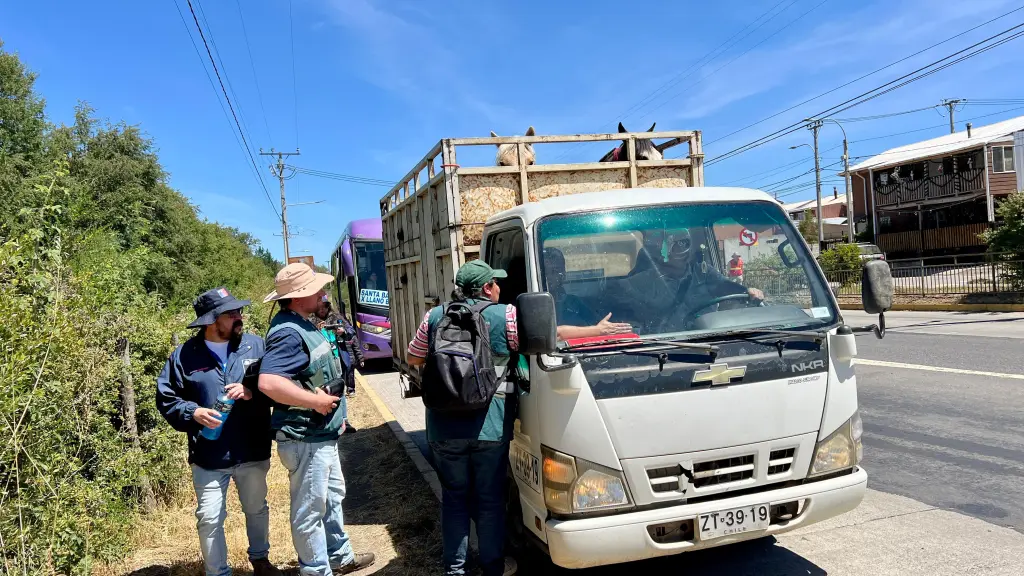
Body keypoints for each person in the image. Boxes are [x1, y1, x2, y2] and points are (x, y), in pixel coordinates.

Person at [156, 287, 283, 576]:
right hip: (209, 454)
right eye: (231, 313)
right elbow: (166, 397)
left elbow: (280, 385)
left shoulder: (255, 346)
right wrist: (194, 412)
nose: (240, 317)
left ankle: (260, 561)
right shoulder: (184, 356)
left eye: (238, 311)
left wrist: (252, 392)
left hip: (252, 448)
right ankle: (218, 573)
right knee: (209, 518)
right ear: (212, 321)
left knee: (256, 508)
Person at [257, 264, 375, 576]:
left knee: (332, 497)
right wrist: (316, 401)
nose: (323, 294)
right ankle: (315, 570)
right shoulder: (287, 333)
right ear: (297, 298)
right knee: (309, 511)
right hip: (304, 437)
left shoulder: (303, 323)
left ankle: (339, 557)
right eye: (316, 289)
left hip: (321, 434)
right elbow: (268, 382)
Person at [406, 260, 519, 576]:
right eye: (495, 283)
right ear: (486, 288)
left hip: (443, 426)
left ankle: (455, 570)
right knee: (490, 500)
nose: (499, 288)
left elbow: (413, 356)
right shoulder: (505, 315)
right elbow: (537, 340)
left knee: (455, 499)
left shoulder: (435, 315)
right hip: (490, 426)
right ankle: (492, 566)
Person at [622, 230, 765, 331]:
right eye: (675, 245)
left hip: (711, 341)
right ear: (663, 251)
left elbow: (724, 286)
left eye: (685, 244)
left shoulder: (703, 272)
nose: (681, 250)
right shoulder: (645, 280)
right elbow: (621, 302)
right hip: (664, 347)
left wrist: (747, 292)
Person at [541, 247, 632, 340]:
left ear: (563, 274)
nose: (550, 277)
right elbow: (553, 334)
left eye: (555, 271)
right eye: (546, 272)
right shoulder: (537, 304)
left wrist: (624, 326)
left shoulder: (573, 303)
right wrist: (597, 331)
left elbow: (599, 323)